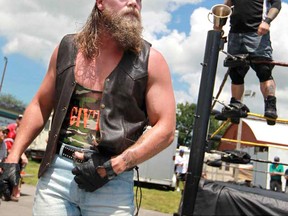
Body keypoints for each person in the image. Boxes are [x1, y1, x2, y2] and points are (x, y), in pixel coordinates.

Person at [0, 0, 176, 215]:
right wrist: (13, 156)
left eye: (139, 0)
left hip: (113, 184)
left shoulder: (151, 61)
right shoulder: (67, 49)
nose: (133, 3)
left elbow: (166, 128)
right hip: (56, 176)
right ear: (100, 3)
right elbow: (40, 104)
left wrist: (115, 166)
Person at [221, 0, 282, 125]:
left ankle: (270, 106)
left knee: (263, 70)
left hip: (257, 32)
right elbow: (226, 5)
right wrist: (219, 26)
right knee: (236, 71)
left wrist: (267, 21)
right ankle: (236, 105)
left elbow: (276, 4)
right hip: (235, 33)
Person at [4, 115, 28, 201]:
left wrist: (22, 156)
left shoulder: (22, 130)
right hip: (9, 154)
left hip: (17, 156)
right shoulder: (11, 128)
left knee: (15, 174)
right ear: (17, 120)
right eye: (20, 119)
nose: (21, 121)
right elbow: (8, 142)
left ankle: (11, 193)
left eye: (23, 119)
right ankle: (7, 193)